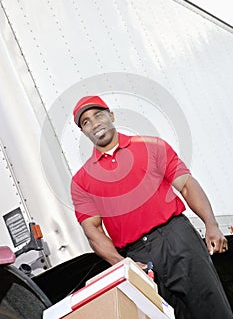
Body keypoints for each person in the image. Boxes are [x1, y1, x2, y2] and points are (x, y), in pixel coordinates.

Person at [71, 95, 232, 319]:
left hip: (177, 238)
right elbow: (93, 230)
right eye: (86, 121)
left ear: (112, 116)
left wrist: (211, 224)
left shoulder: (151, 146)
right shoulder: (81, 180)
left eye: (98, 115)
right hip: (137, 256)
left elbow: (186, 186)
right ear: (83, 132)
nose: (94, 123)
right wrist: (123, 264)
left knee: (212, 309)